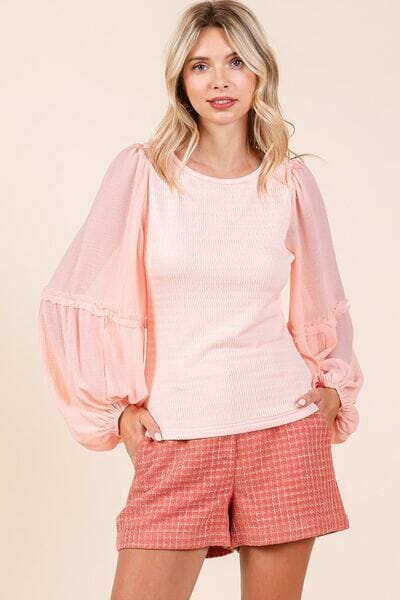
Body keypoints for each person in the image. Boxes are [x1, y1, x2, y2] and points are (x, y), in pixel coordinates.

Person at [38, 2, 364, 599]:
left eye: (236, 62)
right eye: (200, 65)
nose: (220, 81)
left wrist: (332, 391)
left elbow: (323, 299)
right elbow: (78, 294)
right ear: (181, 80)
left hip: (283, 429)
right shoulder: (144, 173)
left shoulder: (289, 182)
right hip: (178, 432)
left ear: (260, 72)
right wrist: (115, 410)